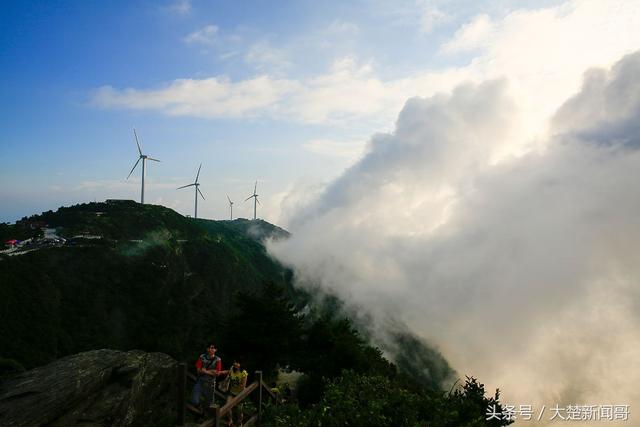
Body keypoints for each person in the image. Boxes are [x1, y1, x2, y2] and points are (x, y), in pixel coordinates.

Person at [225, 359, 248, 426]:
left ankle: (239, 422)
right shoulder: (232, 368)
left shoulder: (243, 373)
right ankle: (230, 420)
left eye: (237, 363)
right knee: (227, 406)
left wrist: (235, 384)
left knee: (239, 409)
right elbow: (229, 376)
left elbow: (243, 385)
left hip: (240, 393)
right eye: (234, 362)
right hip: (231, 392)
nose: (235, 364)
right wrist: (226, 380)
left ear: (241, 364)